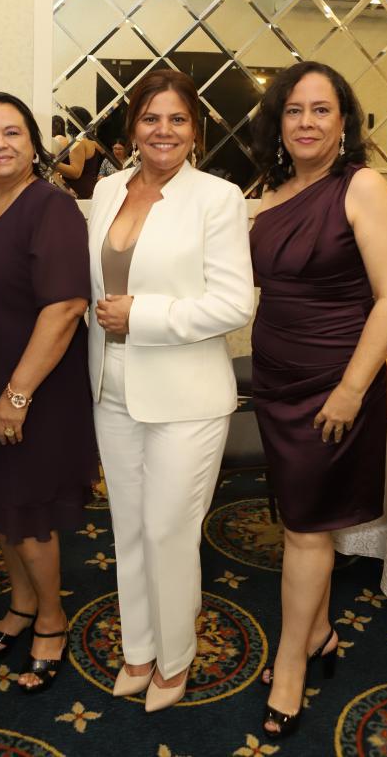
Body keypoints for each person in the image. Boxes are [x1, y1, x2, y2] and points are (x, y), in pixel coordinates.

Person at [249, 61, 387, 738]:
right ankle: (316, 633)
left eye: (321, 109)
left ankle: (291, 663)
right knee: (297, 517)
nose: (306, 122)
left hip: (331, 386)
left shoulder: (361, 185)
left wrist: (349, 388)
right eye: (294, 110)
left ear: (344, 122)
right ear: (277, 123)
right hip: (275, 378)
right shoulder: (268, 189)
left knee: (305, 526)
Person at [87, 69, 254, 712]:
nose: (163, 131)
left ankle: (176, 660)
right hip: (111, 384)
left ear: (196, 131)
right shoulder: (105, 191)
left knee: (168, 530)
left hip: (187, 392)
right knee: (127, 527)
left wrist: (145, 317)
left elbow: (234, 303)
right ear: (132, 127)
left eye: (177, 119)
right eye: (151, 118)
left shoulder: (218, 197)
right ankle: (139, 646)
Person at [0, 92, 96, 693]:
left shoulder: (52, 206)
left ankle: (51, 616)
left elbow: (66, 306)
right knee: (1, 505)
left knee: (31, 510)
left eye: (12, 132)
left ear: (33, 143)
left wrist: (17, 395)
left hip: (35, 381)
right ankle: (18, 604)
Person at [56, 106, 104, 198]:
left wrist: (52, 163)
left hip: (78, 193)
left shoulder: (78, 143)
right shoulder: (93, 143)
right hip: (91, 190)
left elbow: (76, 172)